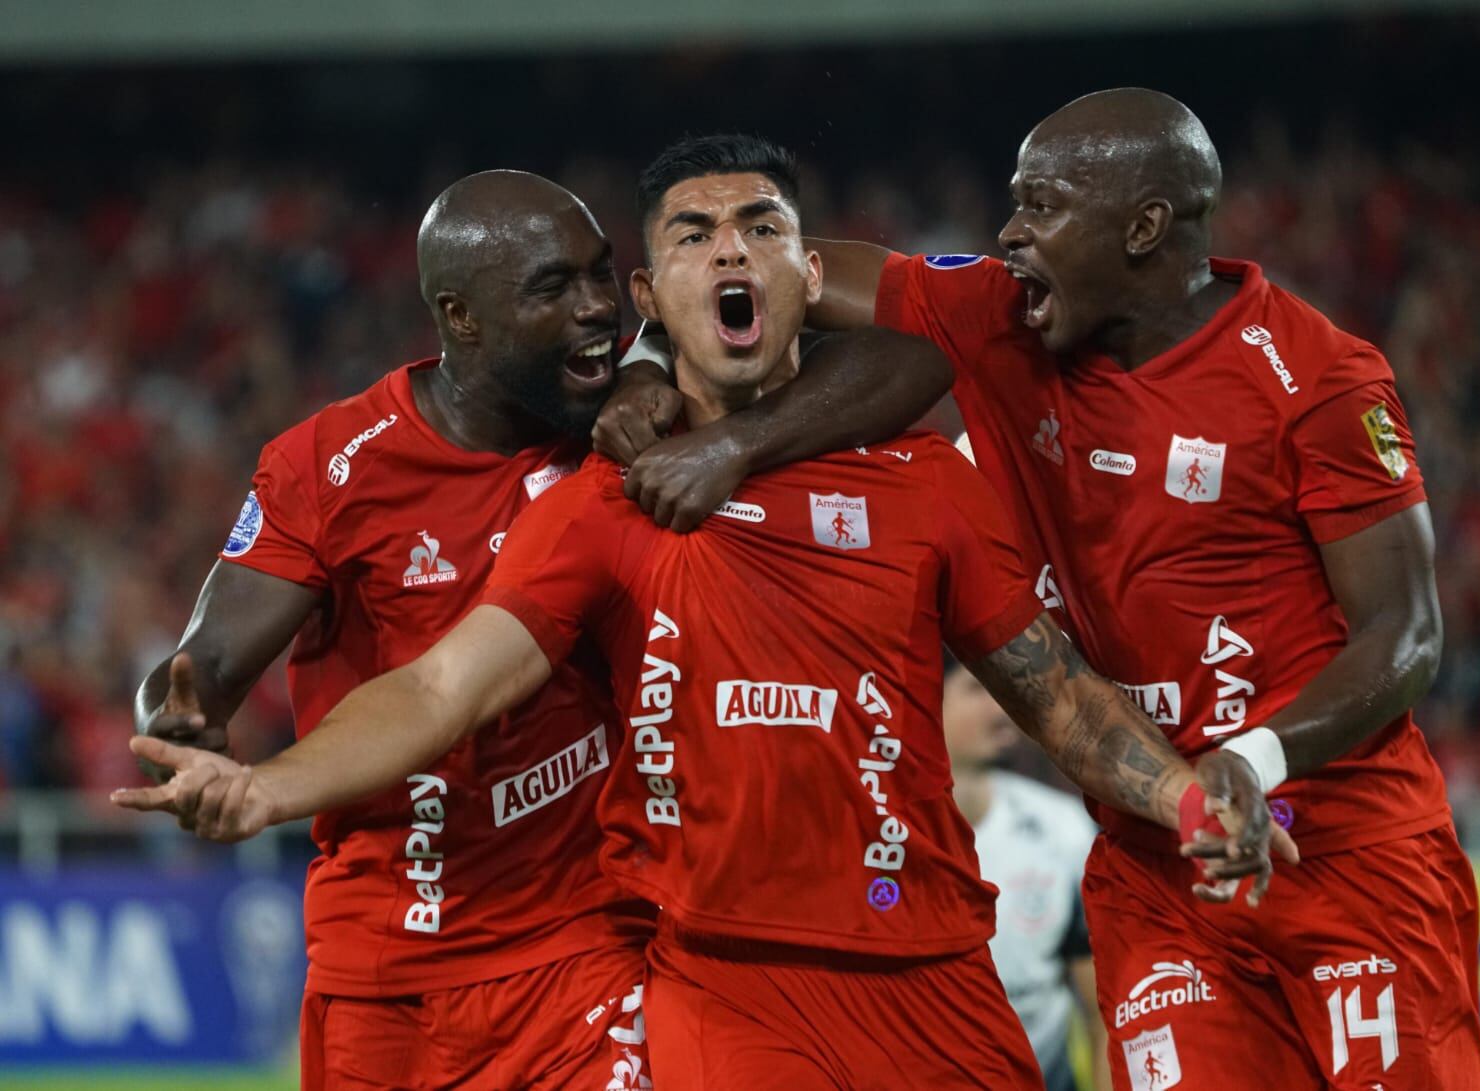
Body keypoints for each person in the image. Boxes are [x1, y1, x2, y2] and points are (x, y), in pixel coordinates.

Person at [115, 135, 1283, 1091]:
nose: (731, 250)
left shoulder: (925, 483)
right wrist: (264, 781)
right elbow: (440, 683)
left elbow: (1057, 694)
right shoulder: (605, 497)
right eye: (691, 234)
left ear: (806, 275)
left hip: (934, 975)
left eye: (762, 230)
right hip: (712, 989)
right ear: (651, 297)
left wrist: (1189, 794)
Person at [128, 168, 958, 1091]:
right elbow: (202, 667)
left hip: (588, 944)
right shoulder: (330, 464)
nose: (597, 309)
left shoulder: (632, 434)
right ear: (463, 318)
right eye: (554, 289)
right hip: (388, 960)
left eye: (603, 275)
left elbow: (913, 357)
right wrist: (180, 724)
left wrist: (722, 435)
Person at [789, 88, 1480, 1089]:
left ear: (1143, 227)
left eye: (1041, 206)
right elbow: (796, 276)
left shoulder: (1316, 377)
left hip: (1347, 855)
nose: (1009, 232)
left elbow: (1405, 634)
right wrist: (649, 361)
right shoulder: (1003, 320)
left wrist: (1252, 759)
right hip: (1156, 873)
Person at [943, 658, 1110, 1091]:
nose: (1001, 709)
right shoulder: (883, 841)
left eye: (1002, 692)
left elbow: (1101, 1011)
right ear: (926, 699)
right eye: (977, 691)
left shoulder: (1064, 828)